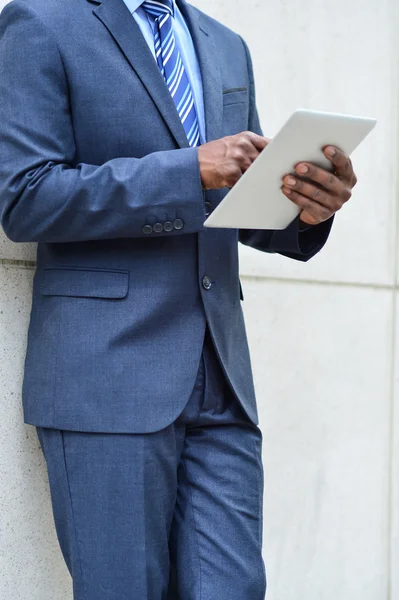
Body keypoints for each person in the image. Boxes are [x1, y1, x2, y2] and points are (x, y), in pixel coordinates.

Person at [0, 0, 357, 598]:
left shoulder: (224, 42)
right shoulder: (41, 22)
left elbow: (234, 199)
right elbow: (24, 196)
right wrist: (186, 169)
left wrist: (305, 206)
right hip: (109, 375)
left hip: (222, 376)